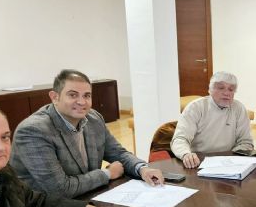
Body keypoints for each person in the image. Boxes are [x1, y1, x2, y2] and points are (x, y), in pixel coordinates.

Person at [10, 70, 163, 198]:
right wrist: (107, 174)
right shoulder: (33, 131)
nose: (82, 102)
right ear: (55, 97)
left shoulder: (93, 118)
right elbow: (59, 189)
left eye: (87, 95)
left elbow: (117, 153)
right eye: (73, 95)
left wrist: (142, 169)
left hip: (86, 197)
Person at [171, 72, 254, 169]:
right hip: (198, 162)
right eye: (221, 88)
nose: (227, 93)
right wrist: (186, 154)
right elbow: (180, 139)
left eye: (231, 89)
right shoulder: (196, 107)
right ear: (210, 90)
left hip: (228, 163)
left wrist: (232, 158)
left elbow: (246, 141)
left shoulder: (238, 108)